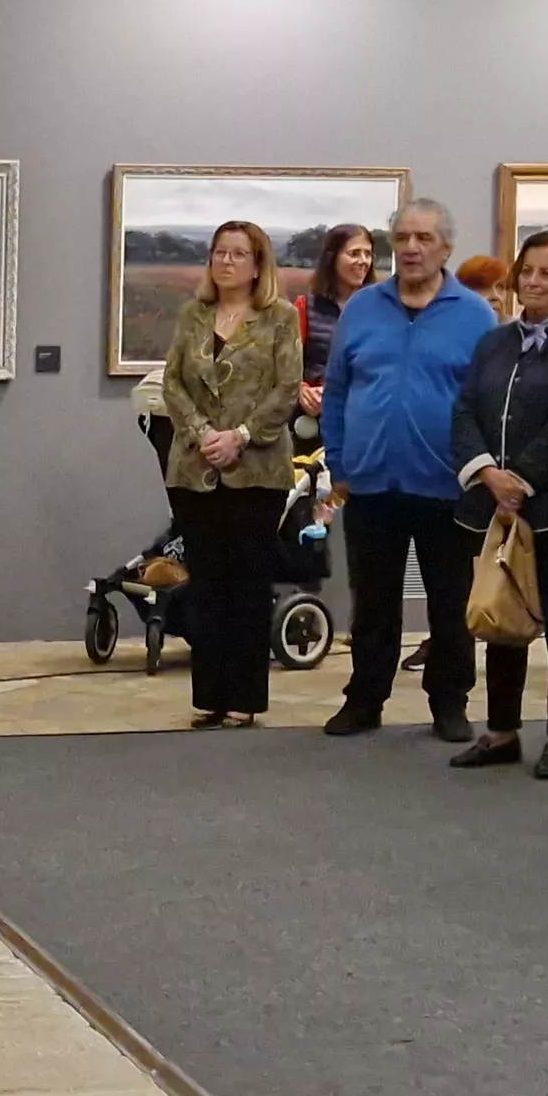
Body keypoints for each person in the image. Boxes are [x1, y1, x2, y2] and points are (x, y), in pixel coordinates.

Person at [321, 200, 500, 736]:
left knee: (450, 604)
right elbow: (337, 390)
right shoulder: (362, 309)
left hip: (447, 485)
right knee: (372, 604)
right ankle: (364, 700)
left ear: (446, 247)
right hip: (371, 482)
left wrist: (479, 472)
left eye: (423, 238)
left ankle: (449, 703)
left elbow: (488, 403)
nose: (411, 249)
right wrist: (339, 461)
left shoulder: (474, 315)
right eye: (401, 238)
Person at [447, 231, 548, 777]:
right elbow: (464, 410)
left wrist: (522, 481)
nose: (533, 282)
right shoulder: (494, 341)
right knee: (501, 618)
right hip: (492, 506)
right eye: (527, 271)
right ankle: (501, 732)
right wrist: (488, 474)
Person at [163, 220, 307, 729]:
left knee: (246, 586)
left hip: (256, 471)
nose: (225, 262)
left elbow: (287, 388)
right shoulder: (193, 314)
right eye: (219, 253)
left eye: (237, 254)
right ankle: (211, 696)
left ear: (257, 264)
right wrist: (203, 432)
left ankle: (244, 697)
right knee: (207, 585)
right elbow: (173, 382)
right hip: (194, 468)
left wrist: (240, 436)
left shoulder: (279, 318)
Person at [300, 223, 373, 412]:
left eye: (368, 254)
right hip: (315, 413)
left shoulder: (383, 307)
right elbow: (285, 366)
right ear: (332, 258)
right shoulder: (305, 305)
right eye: (354, 253)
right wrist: (301, 390)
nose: (363, 261)